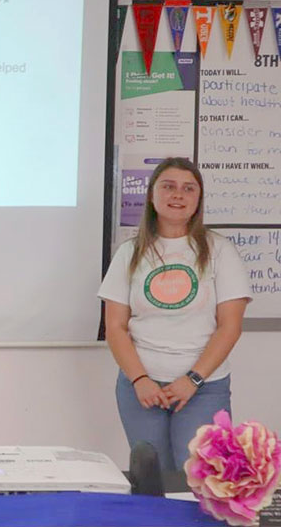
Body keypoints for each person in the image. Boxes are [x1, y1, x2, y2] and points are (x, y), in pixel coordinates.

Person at [98, 157, 251, 471]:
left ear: (198, 200)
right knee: (153, 477)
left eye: (188, 188)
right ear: (152, 196)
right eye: (168, 186)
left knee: (202, 478)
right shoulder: (129, 252)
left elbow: (229, 327)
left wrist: (192, 380)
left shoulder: (220, 251)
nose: (177, 195)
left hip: (204, 387)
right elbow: (115, 327)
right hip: (141, 387)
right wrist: (140, 379)